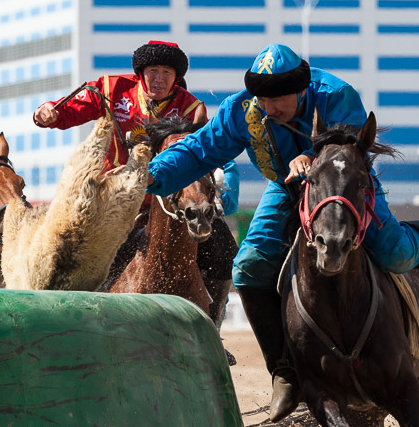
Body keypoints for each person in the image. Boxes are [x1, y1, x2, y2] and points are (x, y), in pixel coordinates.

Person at [146, 43, 419, 421]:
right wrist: (150, 175)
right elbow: (198, 150)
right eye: (262, 98)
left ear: (302, 91)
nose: (268, 108)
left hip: (341, 185)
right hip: (286, 186)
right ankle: (285, 372)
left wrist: (313, 155)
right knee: (248, 266)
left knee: (395, 253)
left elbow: (347, 154)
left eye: (278, 100)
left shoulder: (337, 96)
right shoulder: (243, 110)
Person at [34, 40, 206, 171]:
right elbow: (71, 108)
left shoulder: (191, 107)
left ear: (176, 77)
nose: (159, 78)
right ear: (141, 73)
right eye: (153, 70)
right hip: (112, 186)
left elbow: (205, 151)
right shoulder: (111, 88)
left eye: (167, 72)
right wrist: (48, 112)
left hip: (166, 190)